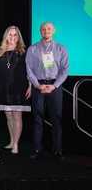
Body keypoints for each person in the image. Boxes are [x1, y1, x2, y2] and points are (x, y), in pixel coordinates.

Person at [26, 22, 69, 161]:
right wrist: (37, 85)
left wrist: (54, 85)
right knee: (38, 120)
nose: (46, 31)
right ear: (40, 32)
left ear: (54, 31)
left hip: (55, 88)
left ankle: (57, 150)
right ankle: (37, 148)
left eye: (49, 28)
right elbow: (29, 70)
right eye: (43, 29)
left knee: (56, 120)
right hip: (38, 87)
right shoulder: (33, 49)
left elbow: (64, 70)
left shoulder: (61, 49)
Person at [0, 26, 31, 155]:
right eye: (10, 35)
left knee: (17, 115)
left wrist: (30, 85)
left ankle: (16, 144)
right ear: (6, 36)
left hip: (19, 86)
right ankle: (11, 141)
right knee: (8, 115)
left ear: (18, 36)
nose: (12, 37)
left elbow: (29, 70)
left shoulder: (24, 51)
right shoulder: (0, 51)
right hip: (4, 85)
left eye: (15, 35)